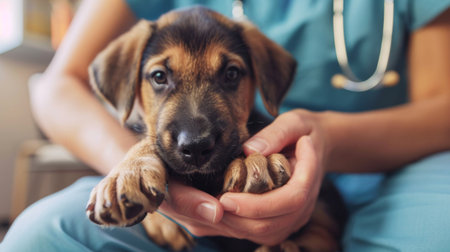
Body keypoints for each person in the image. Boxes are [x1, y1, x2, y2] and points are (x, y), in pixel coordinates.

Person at [1, 0, 449, 251]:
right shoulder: (137, 50)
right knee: (38, 237)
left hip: (390, 169)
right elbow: (57, 86)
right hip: (186, 177)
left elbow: (443, 107)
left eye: (229, 74)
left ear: (259, 78)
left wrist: (326, 138)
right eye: (161, 77)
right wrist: (141, 168)